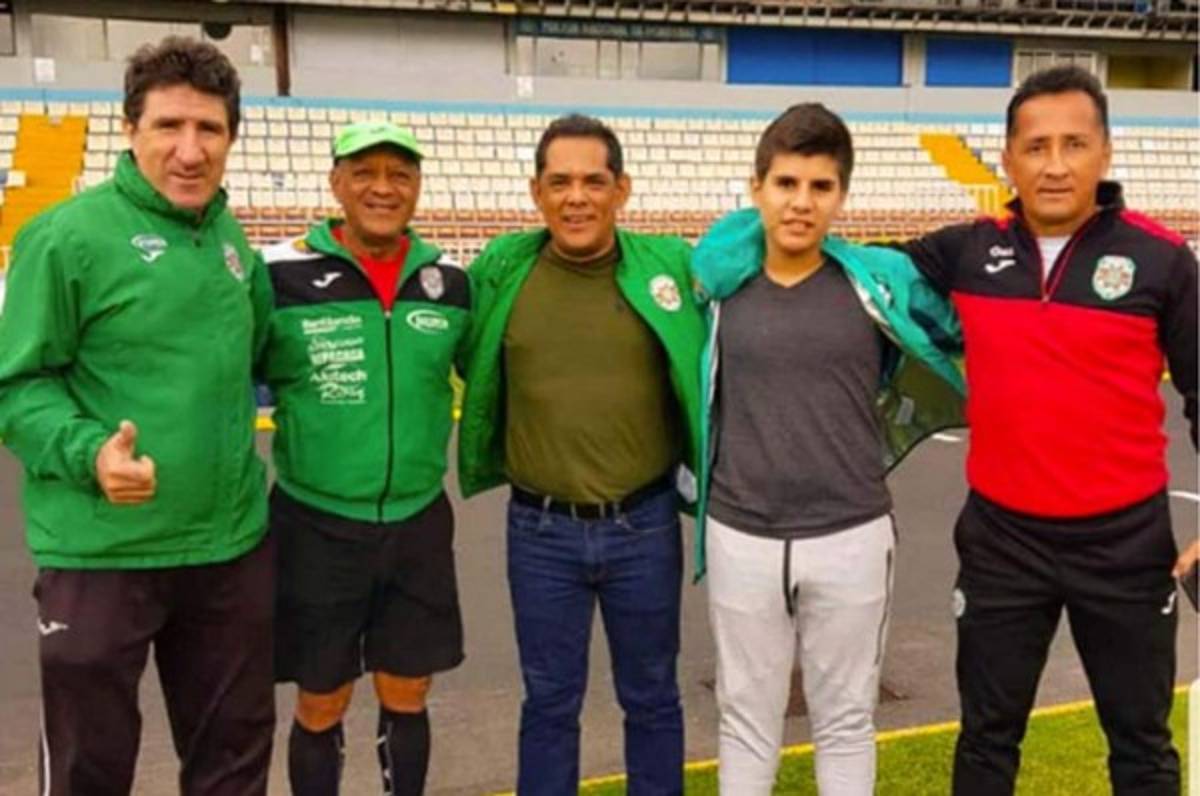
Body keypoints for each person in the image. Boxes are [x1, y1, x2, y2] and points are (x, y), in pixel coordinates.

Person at [900, 65, 1197, 795]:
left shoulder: (1162, 259)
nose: (1055, 165)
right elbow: (847, 271)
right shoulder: (965, 252)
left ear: (1106, 153)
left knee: (1142, 747)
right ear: (1008, 160)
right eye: (1036, 147)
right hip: (1003, 544)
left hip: (1126, 547)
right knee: (986, 742)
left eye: (1074, 144)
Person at [0, 37, 274, 794]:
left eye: (209, 129)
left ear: (231, 137)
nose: (190, 150)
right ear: (129, 129)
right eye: (168, 126)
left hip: (227, 551)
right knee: (88, 772)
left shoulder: (230, 240)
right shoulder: (64, 238)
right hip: (102, 553)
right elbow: (16, 388)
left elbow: (262, 358)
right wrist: (92, 453)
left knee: (234, 766)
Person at [689, 103, 965, 795]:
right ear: (756, 188)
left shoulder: (878, 284)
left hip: (851, 534)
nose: (801, 202)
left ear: (842, 195)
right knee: (745, 720)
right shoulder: (715, 287)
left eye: (820, 186)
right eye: (786, 183)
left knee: (844, 721)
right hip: (740, 534)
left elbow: (971, 322)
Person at [456, 113, 705, 795]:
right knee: (549, 703)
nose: (576, 198)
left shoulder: (669, 266)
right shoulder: (501, 272)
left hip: (644, 526)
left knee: (652, 697)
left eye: (594, 181)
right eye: (560, 182)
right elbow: (453, 351)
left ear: (622, 189)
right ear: (536, 192)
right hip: (540, 532)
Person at [259, 122, 469, 796]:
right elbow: (227, 375)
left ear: (418, 186)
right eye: (364, 172)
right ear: (336, 183)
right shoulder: (278, 275)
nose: (383, 188)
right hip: (315, 524)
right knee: (322, 699)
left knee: (408, 692)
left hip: (417, 522)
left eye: (400, 174)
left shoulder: (449, 281)